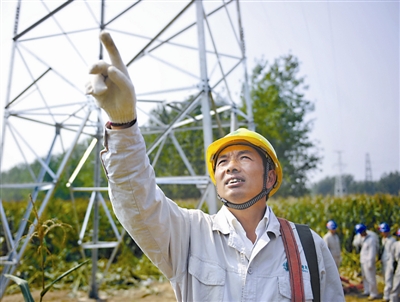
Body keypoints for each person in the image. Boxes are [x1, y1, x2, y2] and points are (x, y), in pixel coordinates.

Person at [86, 31, 344, 302]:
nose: (231, 167)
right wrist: (123, 124)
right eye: (223, 161)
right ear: (216, 179)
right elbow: (137, 201)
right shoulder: (189, 234)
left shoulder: (308, 246)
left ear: (270, 178)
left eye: (244, 158)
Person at [353, 223, 380, 300]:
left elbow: (372, 252)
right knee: (365, 277)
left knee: (370, 278)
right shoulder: (362, 238)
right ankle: (367, 290)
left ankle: (373, 293)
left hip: (368, 262)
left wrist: (370, 263)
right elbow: (357, 243)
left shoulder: (371, 240)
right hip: (363, 261)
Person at [379, 222, 397, 302]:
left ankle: (387, 296)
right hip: (384, 261)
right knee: (386, 278)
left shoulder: (392, 240)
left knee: (389, 279)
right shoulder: (384, 239)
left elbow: (393, 253)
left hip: (390, 261)